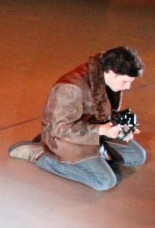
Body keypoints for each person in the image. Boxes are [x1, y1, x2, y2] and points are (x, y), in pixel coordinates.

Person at [8, 46, 146, 191]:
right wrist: (101, 130)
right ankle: (40, 154)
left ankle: (97, 152)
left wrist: (121, 127)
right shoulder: (71, 88)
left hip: (91, 129)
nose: (128, 87)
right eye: (125, 81)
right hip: (63, 136)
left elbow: (104, 112)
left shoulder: (105, 79)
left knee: (137, 157)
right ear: (111, 72)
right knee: (104, 181)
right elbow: (61, 128)